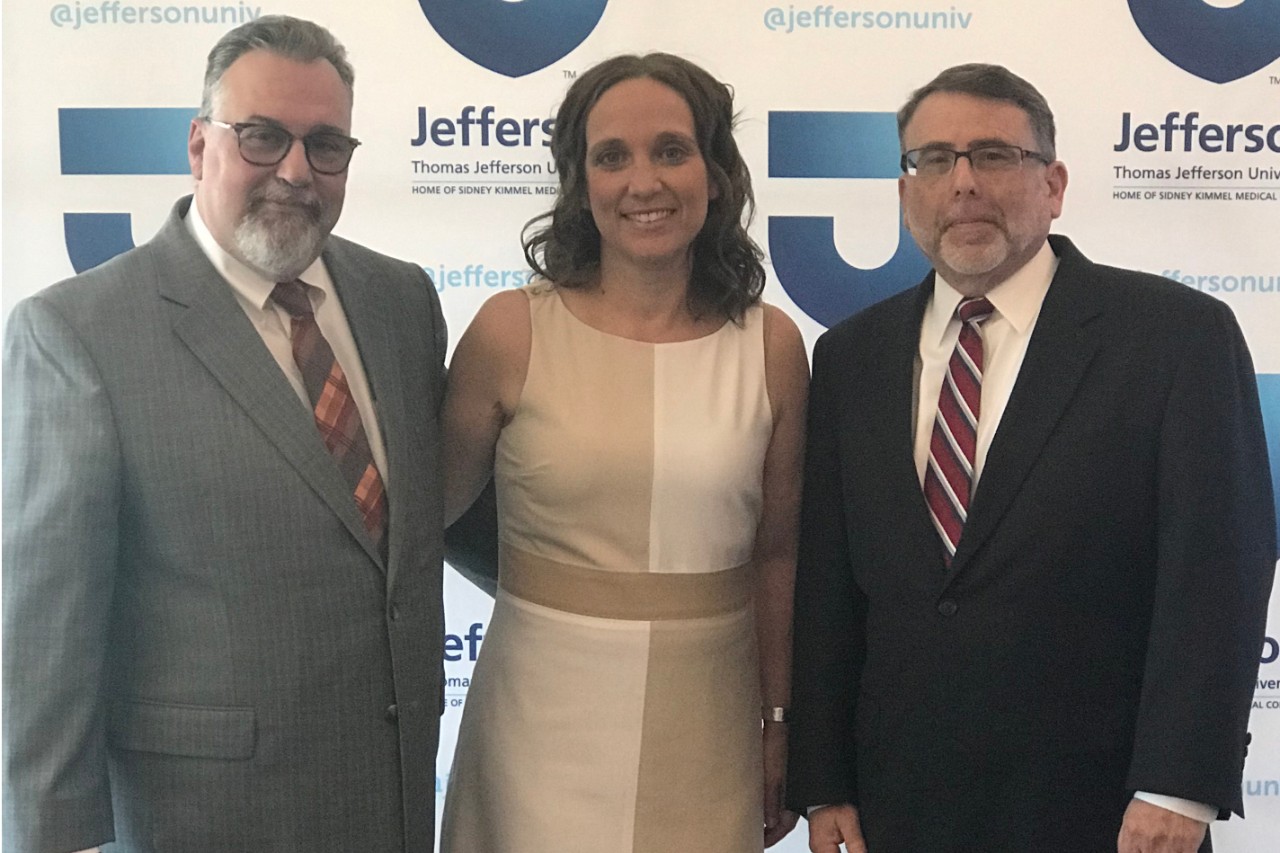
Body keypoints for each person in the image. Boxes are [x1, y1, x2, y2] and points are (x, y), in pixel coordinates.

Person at [787, 63, 1276, 853]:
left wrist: (1177, 785)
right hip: (900, 806)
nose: (964, 183)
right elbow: (830, 587)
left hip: (1111, 813)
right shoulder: (850, 356)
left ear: (1053, 184)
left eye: (995, 156)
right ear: (906, 191)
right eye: (934, 160)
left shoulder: (1176, 337)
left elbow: (1218, 573)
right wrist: (823, 779)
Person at [3, 15, 453, 852]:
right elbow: (44, 645)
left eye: (325, 145)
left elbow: (425, 526)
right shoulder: (80, 333)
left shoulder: (401, 302)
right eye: (260, 136)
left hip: (388, 805)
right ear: (199, 145)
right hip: (205, 819)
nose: (294, 170)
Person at [437, 53, 808, 852]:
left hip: (710, 728)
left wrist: (779, 723)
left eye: (671, 150)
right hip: (534, 728)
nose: (644, 181)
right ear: (581, 182)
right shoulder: (510, 331)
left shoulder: (772, 346)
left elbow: (777, 557)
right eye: (612, 157)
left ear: (715, 172)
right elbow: (416, 524)